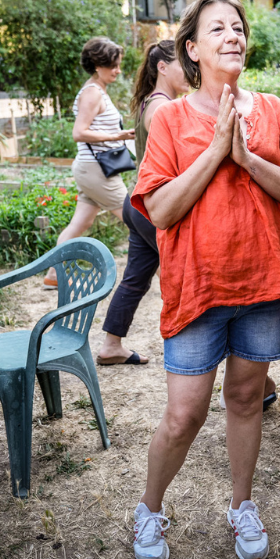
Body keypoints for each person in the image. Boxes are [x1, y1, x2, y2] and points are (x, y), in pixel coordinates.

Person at [130, 0, 280, 559]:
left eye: (238, 27)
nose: (233, 35)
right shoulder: (171, 119)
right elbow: (158, 211)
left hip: (262, 287)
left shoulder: (273, 113)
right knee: (184, 415)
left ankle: (242, 506)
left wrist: (249, 159)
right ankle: (149, 509)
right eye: (217, 29)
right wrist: (216, 152)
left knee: (244, 399)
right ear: (191, 48)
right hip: (198, 291)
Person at [95, 40, 189, 365]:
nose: (191, 70)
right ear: (162, 67)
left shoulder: (151, 101)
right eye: (184, 63)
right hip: (153, 207)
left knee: (135, 278)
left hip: (137, 203)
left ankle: (111, 345)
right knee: (186, 276)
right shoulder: (163, 108)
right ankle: (194, 351)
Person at [44, 37, 134, 289]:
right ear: (97, 65)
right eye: (113, 65)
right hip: (97, 170)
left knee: (80, 224)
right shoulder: (93, 93)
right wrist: (117, 135)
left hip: (91, 168)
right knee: (135, 219)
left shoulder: (96, 90)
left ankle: (53, 273)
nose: (118, 70)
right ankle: (148, 274)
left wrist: (122, 134)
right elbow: (79, 132)